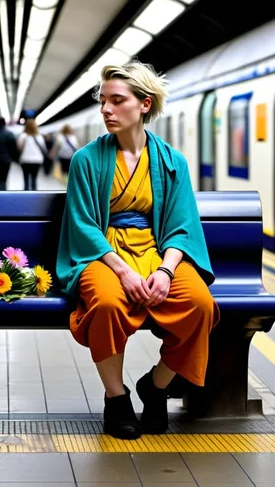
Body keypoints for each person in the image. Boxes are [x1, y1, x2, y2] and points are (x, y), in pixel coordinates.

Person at [56, 61, 220, 440]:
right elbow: (83, 225)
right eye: (103, 101)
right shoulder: (86, 159)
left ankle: (156, 386)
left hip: (154, 251)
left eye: (117, 101)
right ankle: (117, 398)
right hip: (102, 254)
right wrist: (124, 272)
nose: (106, 110)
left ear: (144, 104)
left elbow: (182, 227)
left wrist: (165, 271)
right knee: (109, 303)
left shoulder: (171, 162)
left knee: (199, 304)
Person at [17, 119, 47, 190]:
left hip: (25, 160)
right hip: (37, 160)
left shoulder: (23, 136)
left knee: (26, 179)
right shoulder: (39, 137)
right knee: (34, 178)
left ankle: (26, 195)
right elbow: (44, 148)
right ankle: (34, 193)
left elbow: (19, 148)